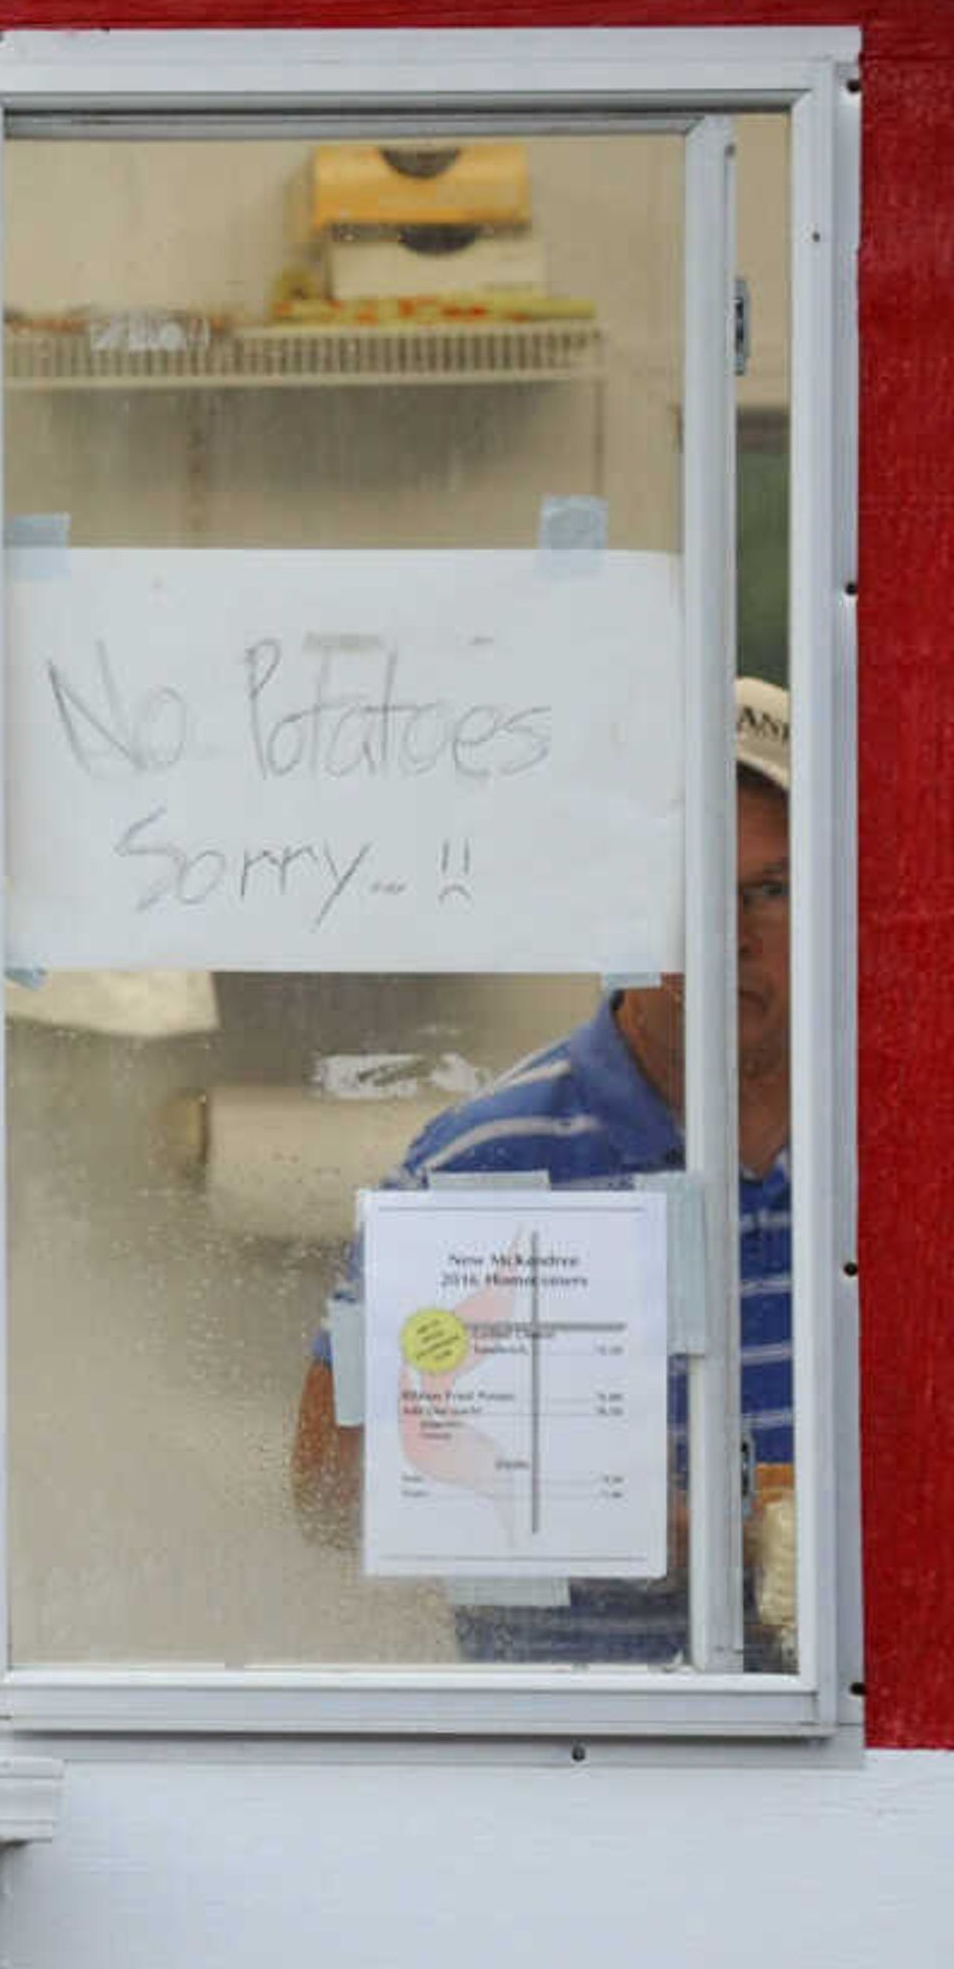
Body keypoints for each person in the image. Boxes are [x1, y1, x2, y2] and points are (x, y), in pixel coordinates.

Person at [287, 678, 795, 1662]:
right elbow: (323, 1494)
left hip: (871, 1781)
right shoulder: (483, 1165)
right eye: (691, 891)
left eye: (770, 890)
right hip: (565, 1767)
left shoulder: (900, 1153)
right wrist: (608, 1507)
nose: (732, 936)